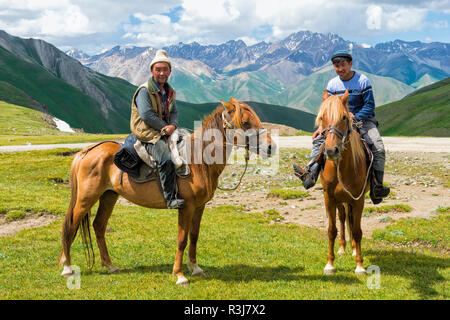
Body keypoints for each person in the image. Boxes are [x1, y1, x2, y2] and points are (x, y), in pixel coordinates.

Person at [293, 50, 390, 204]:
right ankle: (310, 173)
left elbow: (369, 105)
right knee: (319, 141)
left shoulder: (362, 81)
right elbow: (328, 108)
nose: (340, 69)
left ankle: (377, 186)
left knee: (378, 147)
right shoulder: (332, 84)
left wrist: (355, 116)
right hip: (337, 122)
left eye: (343, 65)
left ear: (350, 64)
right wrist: (321, 127)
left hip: (363, 120)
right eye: (337, 66)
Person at [130, 49, 185, 209]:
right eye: (158, 69)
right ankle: (169, 198)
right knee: (166, 158)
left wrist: (173, 125)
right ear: (152, 70)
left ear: (170, 71)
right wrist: (164, 127)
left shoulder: (169, 91)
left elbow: (174, 111)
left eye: (165, 69)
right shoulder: (144, 90)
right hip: (147, 132)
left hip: (164, 129)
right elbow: (146, 115)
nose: (162, 73)